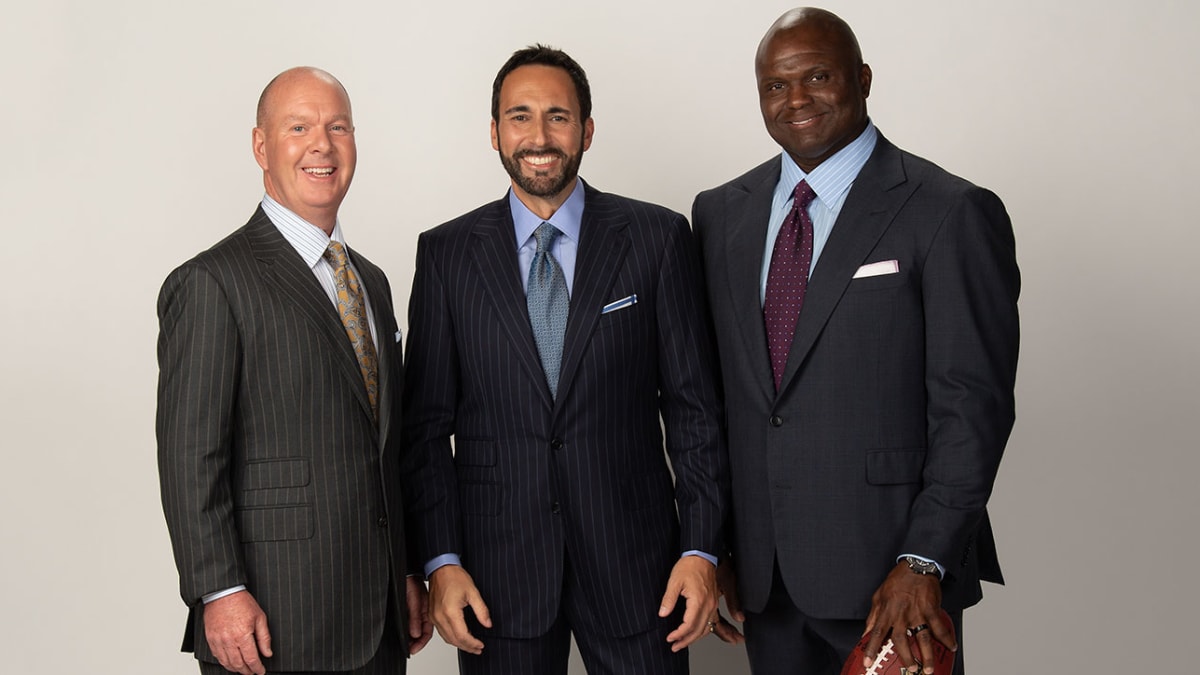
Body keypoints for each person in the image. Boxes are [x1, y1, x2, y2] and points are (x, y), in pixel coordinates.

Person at [693, 8, 1020, 675]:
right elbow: (720, 398)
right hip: (765, 579)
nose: (796, 99)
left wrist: (923, 560)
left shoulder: (948, 210)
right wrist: (717, 542)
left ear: (863, 78)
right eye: (775, 85)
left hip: (893, 583)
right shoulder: (720, 213)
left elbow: (972, 408)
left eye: (818, 76)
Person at [400, 45, 729, 675]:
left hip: (641, 568)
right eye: (519, 116)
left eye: (558, 116)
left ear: (587, 129)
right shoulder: (446, 254)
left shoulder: (657, 239)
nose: (539, 136)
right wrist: (441, 561)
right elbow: (424, 432)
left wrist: (701, 549)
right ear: (494, 132)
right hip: (495, 576)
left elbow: (694, 412)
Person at [156, 66, 432, 675]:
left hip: (380, 617)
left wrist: (409, 568)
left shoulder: (370, 281)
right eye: (299, 128)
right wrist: (219, 591)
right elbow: (190, 456)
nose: (322, 146)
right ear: (261, 146)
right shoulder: (211, 282)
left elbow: (390, 446)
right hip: (273, 619)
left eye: (338, 128)